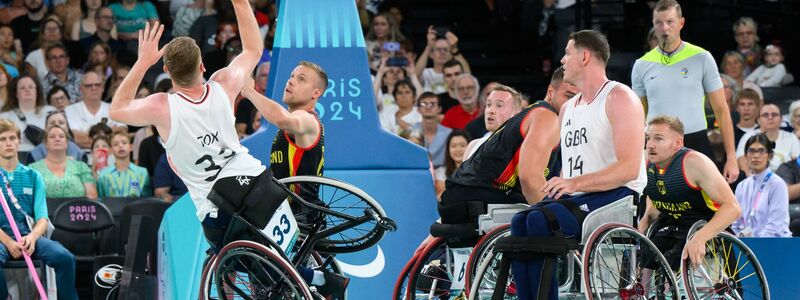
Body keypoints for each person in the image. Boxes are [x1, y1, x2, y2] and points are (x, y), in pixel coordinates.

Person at [108, 0, 345, 296]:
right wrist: (239, 2)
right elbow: (253, 49)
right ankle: (308, 276)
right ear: (203, 66)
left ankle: (302, 277)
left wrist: (143, 62)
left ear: (167, 70)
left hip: (219, 206)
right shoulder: (224, 84)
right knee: (268, 249)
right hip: (260, 184)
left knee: (233, 261)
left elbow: (117, 110)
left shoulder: (161, 106)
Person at [512, 29, 647, 299]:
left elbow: (629, 168)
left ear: (585, 57)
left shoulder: (620, 97)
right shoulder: (568, 108)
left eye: (567, 53)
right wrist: (560, 185)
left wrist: (573, 183)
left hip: (621, 196)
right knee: (520, 221)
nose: (562, 59)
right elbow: (568, 167)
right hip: (580, 196)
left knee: (541, 221)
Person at [631, 0, 739, 184]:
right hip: (657, 146)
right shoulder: (641, 65)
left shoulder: (702, 57)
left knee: (705, 209)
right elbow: (638, 118)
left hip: (695, 141)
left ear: (681, 23)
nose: (664, 28)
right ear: (653, 24)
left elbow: (721, 110)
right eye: (658, 22)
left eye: (670, 22)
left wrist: (731, 157)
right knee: (656, 210)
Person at [638, 116, 741, 271]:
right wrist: (647, 216)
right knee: (643, 256)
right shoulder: (645, 159)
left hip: (703, 221)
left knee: (674, 258)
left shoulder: (695, 163)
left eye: (658, 139)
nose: (651, 145)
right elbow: (654, 188)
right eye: (648, 138)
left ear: (678, 143)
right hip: (671, 221)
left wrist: (701, 237)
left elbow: (733, 208)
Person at [0, 120, 78, 300]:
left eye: (12, 138)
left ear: (19, 141)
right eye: (2, 139)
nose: (8, 143)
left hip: (28, 236)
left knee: (64, 257)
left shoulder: (33, 176)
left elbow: (42, 218)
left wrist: (33, 238)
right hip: (2, 238)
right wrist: (9, 243)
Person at [732, 133, 792, 237]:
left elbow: (774, 226)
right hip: (748, 244)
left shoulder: (777, 184)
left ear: (769, 156)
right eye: (751, 151)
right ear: (746, 156)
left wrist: (755, 244)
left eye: (761, 151)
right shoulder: (742, 186)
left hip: (775, 243)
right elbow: (736, 223)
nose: (756, 156)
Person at [29, 125, 97, 198]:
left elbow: (92, 195)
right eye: (52, 137)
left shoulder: (81, 166)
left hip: (76, 208)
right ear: (45, 144)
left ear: (67, 143)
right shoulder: (33, 169)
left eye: (61, 136)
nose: (57, 139)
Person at [64, 71, 124, 149]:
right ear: (81, 89)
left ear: (103, 88)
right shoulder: (70, 110)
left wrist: (87, 134)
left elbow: (122, 132)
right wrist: (109, 133)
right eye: (89, 86)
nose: (94, 88)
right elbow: (76, 138)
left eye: (97, 85)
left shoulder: (115, 109)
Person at [0, 74, 57, 152]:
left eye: (31, 87)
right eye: (22, 88)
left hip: (46, 157)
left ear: (37, 91)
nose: (27, 90)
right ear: (16, 93)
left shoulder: (50, 112)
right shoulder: (4, 117)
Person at [736, 103, 800, 172]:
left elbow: (796, 165)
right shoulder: (748, 137)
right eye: (765, 115)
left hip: (786, 180)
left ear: (781, 119)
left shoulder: (791, 138)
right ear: (758, 120)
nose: (770, 117)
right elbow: (741, 161)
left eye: (774, 115)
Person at [414, 25, 470, 95]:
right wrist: (429, 46)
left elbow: (468, 75)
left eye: (446, 49)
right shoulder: (426, 73)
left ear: (451, 53)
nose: (442, 53)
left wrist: (454, 48)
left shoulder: (456, 72)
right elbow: (414, 76)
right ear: (431, 54)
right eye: (438, 49)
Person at [97, 129, 151, 197]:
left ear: (131, 147)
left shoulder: (142, 173)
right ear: (111, 149)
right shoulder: (103, 174)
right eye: (116, 144)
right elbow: (101, 199)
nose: (120, 146)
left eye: (124, 142)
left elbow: (147, 200)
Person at [412, 92, 451, 168]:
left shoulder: (448, 134)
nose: (428, 107)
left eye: (433, 104)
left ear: (439, 109)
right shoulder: (409, 132)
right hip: (417, 170)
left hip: (443, 173)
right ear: (418, 109)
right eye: (424, 104)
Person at [434, 129, 469, 196]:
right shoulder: (440, 173)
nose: (458, 149)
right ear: (448, 149)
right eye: (453, 146)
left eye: (462, 145)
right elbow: (439, 198)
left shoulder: (477, 171)